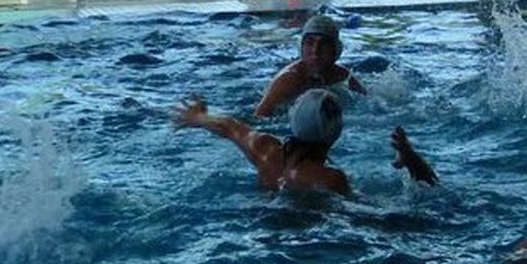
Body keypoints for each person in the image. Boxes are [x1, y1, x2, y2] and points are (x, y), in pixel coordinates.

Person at [174, 88, 437, 197]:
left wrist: (198, 117)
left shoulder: (265, 149)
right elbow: (380, 219)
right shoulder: (332, 179)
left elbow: (229, 126)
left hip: (264, 223)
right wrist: (413, 162)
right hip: (309, 238)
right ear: (336, 133)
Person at [254, 15, 366, 118]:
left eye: (323, 44)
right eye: (310, 42)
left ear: (335, 50)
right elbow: (259, 118)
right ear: (301, 47)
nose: (315, 51)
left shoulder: (342, 77)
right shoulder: (289, 80)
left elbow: (368, 104)